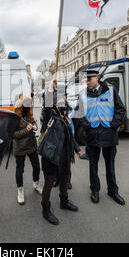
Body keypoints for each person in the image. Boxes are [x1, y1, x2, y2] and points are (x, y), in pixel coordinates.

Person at [76, 70, 126, 205]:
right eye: (85, 81)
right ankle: (95, 190)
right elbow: (79, 113)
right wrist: (87, 126)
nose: (87, 82)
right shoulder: (83, 94)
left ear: (96, 78)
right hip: (92, 135)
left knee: (110, 165)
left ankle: (113, 191)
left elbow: (120, 109)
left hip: (109, 134)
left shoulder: (111, 90)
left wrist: (114, 125)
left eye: (89, 80)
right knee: (93, 165)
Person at [40, 80, 82, 225]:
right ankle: (45, 210)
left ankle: (64, 201)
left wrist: (77, 149)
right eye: (61, 98)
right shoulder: (48, 116)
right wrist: (50, 90)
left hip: (64, 156)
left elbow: (70, 135)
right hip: (51, 156)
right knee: (49, 183)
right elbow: (46, 108)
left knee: (64, 178)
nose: (64, 100)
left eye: (65, 97)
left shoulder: (64, 118)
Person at [12, 94, 42, 205]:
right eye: (27, 105)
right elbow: (12, 134)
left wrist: (35, 126)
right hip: (19, 147)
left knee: (36, 166)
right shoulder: (15, 116)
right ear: (22, 105)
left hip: (31, 145)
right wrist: (26, 130)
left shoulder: (29, 114)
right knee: (20, 169)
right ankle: (20, 191)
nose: (29, 107)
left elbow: (34, 122)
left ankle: (36, 184)